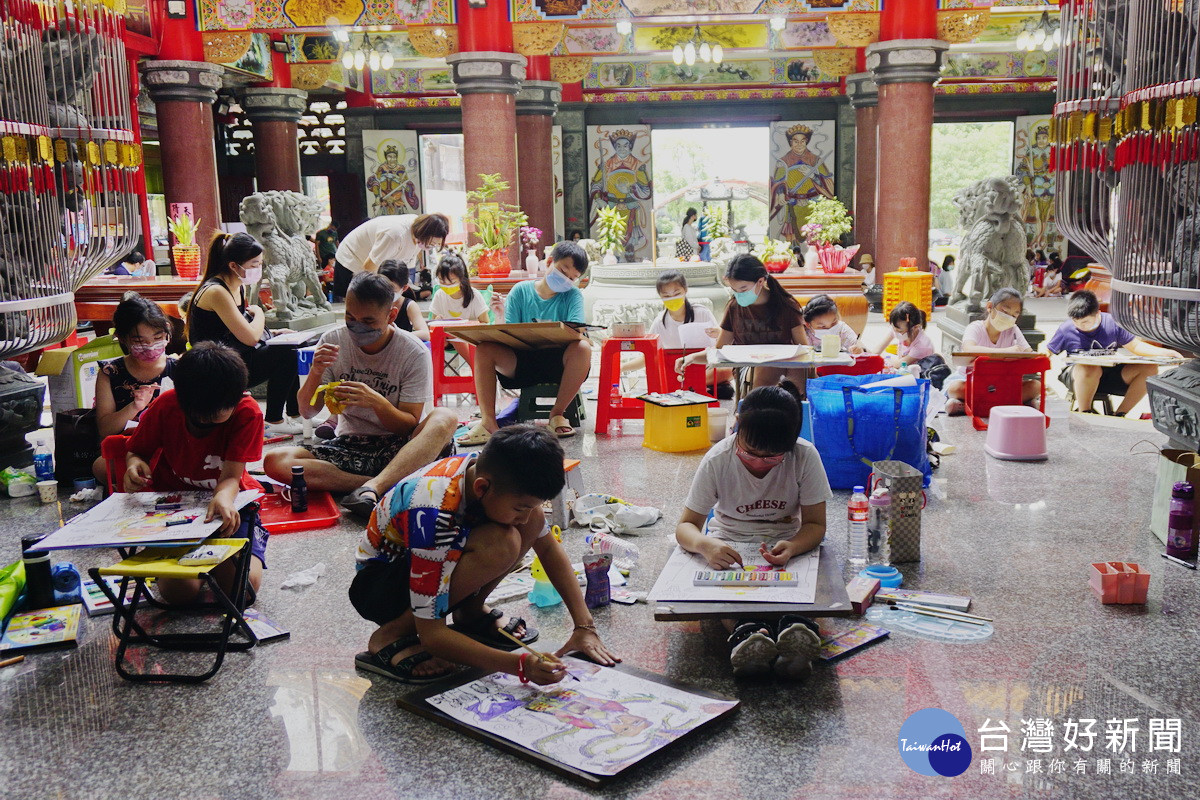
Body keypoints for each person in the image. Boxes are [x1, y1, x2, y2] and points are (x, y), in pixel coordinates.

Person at [350, 425, 619, 683]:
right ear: (481, 488)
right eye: (518, 508)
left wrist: (585, 628)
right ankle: (390, 634)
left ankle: (471, 611)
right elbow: (433, 636)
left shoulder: (492, 476)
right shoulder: (431, 513)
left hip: (433, 561)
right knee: (500, 543)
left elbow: (548, 548)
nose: (523, 519)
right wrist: (520, 665)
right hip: (380, 586)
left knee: (531, 520)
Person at [264, 272, 457, 517]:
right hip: (349, 447)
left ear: (391, 316)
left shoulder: (412, 352)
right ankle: (378, 484)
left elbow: (406, 425)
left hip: (400, 448)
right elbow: (307, 411)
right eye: (349, 317)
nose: (357, 328)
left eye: (368, 321)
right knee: (275, 461)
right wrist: (315, 372)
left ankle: (376, 485)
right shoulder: (333, 341)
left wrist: (376, 401)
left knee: (445, 418)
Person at [674, 380, 830, 679]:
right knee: (727, 591)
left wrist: (794, 546)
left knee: (799, 587)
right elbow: (685, 526)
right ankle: (745, 635)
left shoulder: (804, 456)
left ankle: (796, 633)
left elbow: (815, 525)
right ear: (736, 428)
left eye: (772, 457)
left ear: (791, 444)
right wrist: (706, 546)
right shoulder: (718, 459)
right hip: (729, 542)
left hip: (787, 543)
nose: (760, 463)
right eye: (749, 453)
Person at [123, 343, 268, 605]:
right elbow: (137, 451)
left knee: (243, 591)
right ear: (182, 398)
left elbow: (231, 476)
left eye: (216, 417)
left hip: (230, 507)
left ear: (237, 397)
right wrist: (134, 465)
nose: (205, 422)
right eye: (198, 416)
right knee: (179, 594)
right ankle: (197, 560)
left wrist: (223, 498)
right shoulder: (167, 405)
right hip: (173, 511)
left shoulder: (248, 413)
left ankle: (217, 557)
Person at [457, 242, 591, 444]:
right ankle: (488, 422)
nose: (566, 280)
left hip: (561, 364)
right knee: (484, 349)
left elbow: (577, 331)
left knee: (582, 347)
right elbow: (510, 334)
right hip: (522, 361)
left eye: (572, 278)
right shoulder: (520, 291)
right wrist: (500, 317)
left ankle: (557, 414)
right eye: (563, 271)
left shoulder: (573, 296)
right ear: (548, 262)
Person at [186, 232, 302, 436]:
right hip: (217, 367)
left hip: (234, 356)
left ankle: (295, 413)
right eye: (254, 264)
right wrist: (260, 313)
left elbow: (238, 327)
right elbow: (250, 337)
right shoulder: (216, 291)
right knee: (289, 353)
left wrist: (273, 333)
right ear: (233, 265)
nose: (259, 269)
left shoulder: (235, 285)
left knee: (295, 345)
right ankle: (274, 420)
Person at [1046, 290, 1181, 415]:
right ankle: (1085, 412)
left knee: (1150, 369)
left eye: (1086, 322)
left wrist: (1167, 352)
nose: (1081, 326)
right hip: (1079, 376)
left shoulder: (1112, 323)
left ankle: (1120, 414)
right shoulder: (1066, 329)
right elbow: (1049, 350)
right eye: (1076, 322)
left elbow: (1135, 346)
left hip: (1109, 374)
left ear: (1097, 313)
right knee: (1090, 368)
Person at [92, 293, 178, 481]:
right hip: (127, 446)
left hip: (172, 447)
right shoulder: (110, 372)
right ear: (122, 338)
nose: (150, 346)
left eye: (158, 337)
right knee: (101, 467)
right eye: (140, 341)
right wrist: (135, 407)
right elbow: (105, 429)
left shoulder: (179, 368)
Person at [696, 254, 808, 389]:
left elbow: (803, 349)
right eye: (734, 290)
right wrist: (690, 358)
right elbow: (720, 350)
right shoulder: (734, 307)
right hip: (749, 368)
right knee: (767, 368)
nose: (739, 294)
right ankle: (760, 406)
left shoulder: (786, 306)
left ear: (760, 281)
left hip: (787, 364)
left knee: (800, 371)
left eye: (743, 289)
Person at [944, 288, 1039, 416]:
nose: (1009, 318)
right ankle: (1014, 403)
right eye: (1005, 312)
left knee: (1035, 386)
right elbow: (969, 349)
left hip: (1002, 383)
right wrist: (1005, 352)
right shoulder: (975, 328)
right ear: (990, 307)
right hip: (972, 381)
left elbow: (1029, 354)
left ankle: (969, 404)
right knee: (955, 388)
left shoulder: (1013, 330)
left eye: (1014, 315)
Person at [333, 212, 449, 299]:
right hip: (352, 260)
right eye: (431, 243)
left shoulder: (418, 234)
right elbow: (368, 267)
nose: (430, 247)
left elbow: (404, 269)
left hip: (374, 265)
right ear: (423, 233)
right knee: (363, 302)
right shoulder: (394, 235)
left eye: (435, 245)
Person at [872, 301, 935, 370]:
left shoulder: (922, 346)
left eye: (899, 331)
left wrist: (881, 360)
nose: (895, 332)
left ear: (915, 328)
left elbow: (897, 364)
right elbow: (876, 352)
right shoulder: (899, 327)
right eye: (893, 328)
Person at [430, 252, 490, 324]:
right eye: (442, 282)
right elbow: (432, 324)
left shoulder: (474, 296)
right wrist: (437, 321)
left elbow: (485, 323)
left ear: (462, 279)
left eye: (452, 282)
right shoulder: (439, 295)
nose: (447, 286)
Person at [378, 260, 430, 341]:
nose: (386, 291)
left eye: (391, 289)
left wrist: (394, 336)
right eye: (382, 286)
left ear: (404, 288)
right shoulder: (374, 302)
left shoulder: (409, 306)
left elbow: (425, 334)